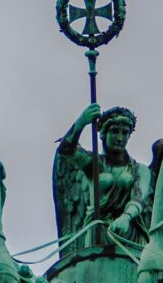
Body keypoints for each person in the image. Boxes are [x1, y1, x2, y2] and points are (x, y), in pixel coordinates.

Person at [53, 104, 152, 247]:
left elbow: (138, 198)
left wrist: (126, 217)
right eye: (114, 131)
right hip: (98, 233)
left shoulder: (140, 170)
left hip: (130, 233)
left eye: (125, 133)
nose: (119, 138)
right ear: (103, 134)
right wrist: (82, 121)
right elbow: (66, 150)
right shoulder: (93, 164)